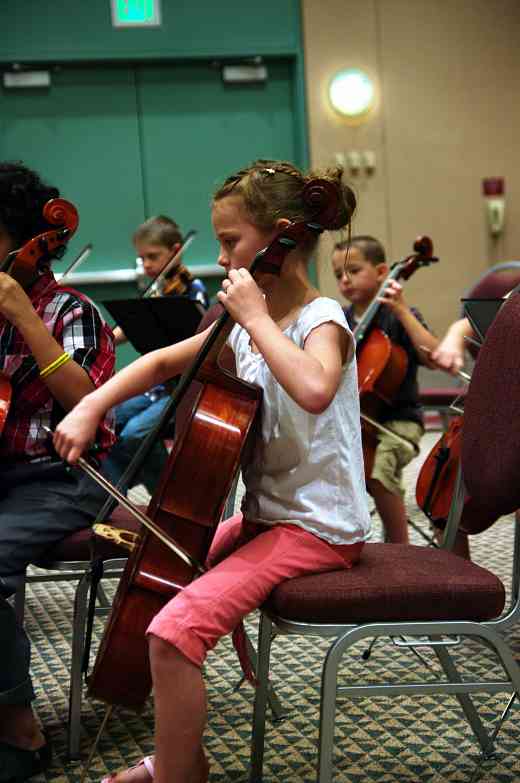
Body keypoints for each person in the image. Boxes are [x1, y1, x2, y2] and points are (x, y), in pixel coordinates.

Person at [53, 159, 371, 783]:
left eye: (231, 243)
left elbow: (314, 389)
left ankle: (175, 774)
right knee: (163, 577)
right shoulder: (246, 330)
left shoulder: (320, 320)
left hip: (319, 529)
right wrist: (92, 404)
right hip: (267, 520)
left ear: (279, 235)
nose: (224, 259)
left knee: (173, 635)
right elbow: (159, 365)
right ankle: (178, 757)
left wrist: (254, 317)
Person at [0, 162, 115, 780]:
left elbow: (83, 403)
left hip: (63, 479)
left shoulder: (73, 311)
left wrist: (23, 316)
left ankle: (19, 728)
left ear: (22, 242)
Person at [331, 235, 439, 544]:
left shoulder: (398, 315)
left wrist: (403, 310)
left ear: (381, 271)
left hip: (399, 422)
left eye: (353, 270)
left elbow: (432, 358)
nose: (345, 280)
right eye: (339, 274)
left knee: (380, 471)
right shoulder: (340, 320)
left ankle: (399, 547)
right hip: (358, 421)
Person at [102, 216, 209, 495]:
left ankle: (171, 495)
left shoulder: (191, 290)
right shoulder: (157, 290)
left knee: (136, 433)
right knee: (108, 420)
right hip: (160, 387)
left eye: (153, 256)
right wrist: (105, 342)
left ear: (176, 251)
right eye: (142, 258)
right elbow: (130, 328)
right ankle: (111, 494)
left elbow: (200, 335)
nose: (147, 264)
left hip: (185, 388)